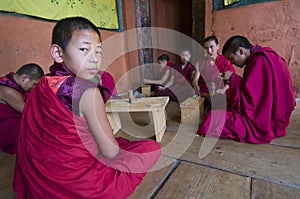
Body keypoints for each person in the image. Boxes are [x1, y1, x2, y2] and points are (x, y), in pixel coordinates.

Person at [14, 17, 161, 199]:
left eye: (98, 52)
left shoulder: (43, 84)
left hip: (41, 179)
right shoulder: (87, 92)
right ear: (58, 53)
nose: (94, 59)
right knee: (150, 148)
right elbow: (111, 152)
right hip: (81, 186)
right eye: (84, 49)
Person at [197, 35, 296, 144]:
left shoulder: (259, 61)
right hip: (278, 116)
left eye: (231, 58)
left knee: (212, 118)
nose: (232, 62)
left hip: (266, 120)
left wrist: (233, 78)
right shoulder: (265, 55)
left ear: (240, 51)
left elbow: (252, 101)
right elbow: (257, 91)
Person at [0, 63, 44, 154]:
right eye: (34, 84)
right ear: (24, 78)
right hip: (7, 132)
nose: (33, 88)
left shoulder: (12, 83)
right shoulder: (8, 91)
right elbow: (27, 112)